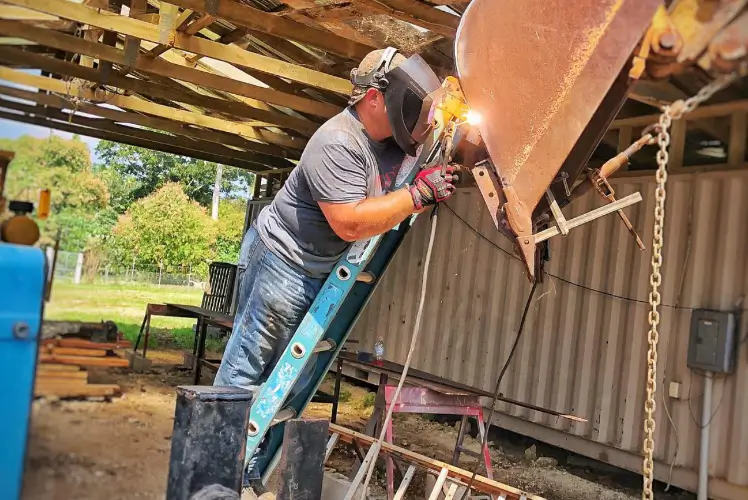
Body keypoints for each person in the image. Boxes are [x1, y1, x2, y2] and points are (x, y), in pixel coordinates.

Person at [213, 47, 459, 488]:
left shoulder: (397, 140)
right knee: (250, 366)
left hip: (318, 267)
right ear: (374, 99)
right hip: (283, 260)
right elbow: (348, 222)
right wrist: (417, 197)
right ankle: (215, 465)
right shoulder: (337, 142)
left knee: (289, 376)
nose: (420, 116)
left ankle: (249, 460)